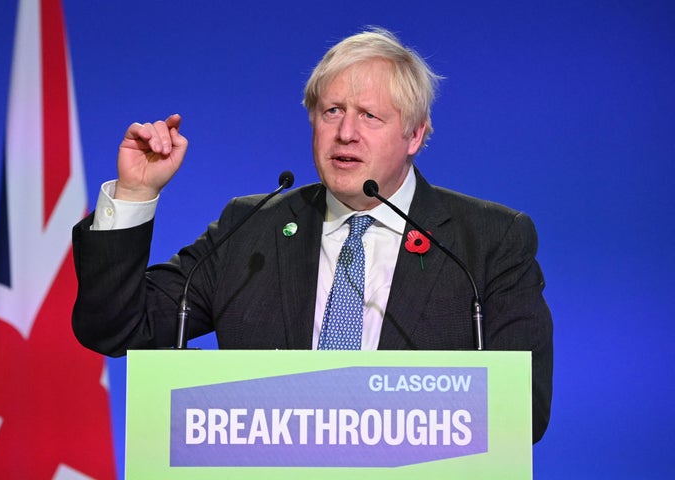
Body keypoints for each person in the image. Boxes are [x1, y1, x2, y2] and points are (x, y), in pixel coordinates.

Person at [71, 28, 553, 442]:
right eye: (332, 111)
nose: (345, 133)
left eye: (369, 115)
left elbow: (523, 410)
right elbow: (117, 327)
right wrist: (135, 194)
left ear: (414, 135)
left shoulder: (487, 242)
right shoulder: (251, 228)